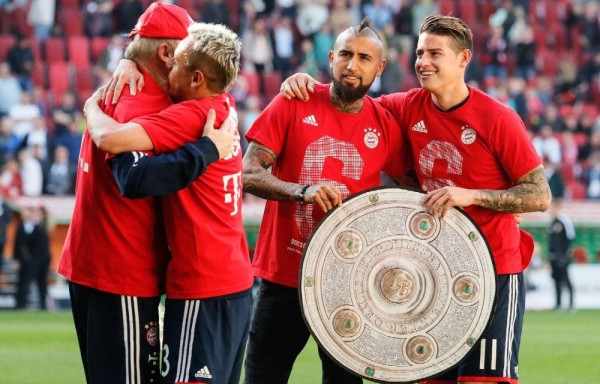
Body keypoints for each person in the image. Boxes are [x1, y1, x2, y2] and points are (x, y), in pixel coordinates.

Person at [281, 13, 552, 384]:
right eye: (421, 53)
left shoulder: (498, 118)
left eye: (435, 54)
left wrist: (470, 196)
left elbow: (539, 195)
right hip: (433, 271)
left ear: (463, 59)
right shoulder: (406, 106)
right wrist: (309, 84)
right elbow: (350, 97)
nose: (423, 62)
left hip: (494, 270)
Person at [57, 4, 233, 384]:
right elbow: (133, 177)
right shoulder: (146, 103)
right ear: (168, 54)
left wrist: (123, 64)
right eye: (188, 48)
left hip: (94, 266)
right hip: (123, 274)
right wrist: (206, 151)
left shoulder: (123, 90)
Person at [242, 18, 412, 384]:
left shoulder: (384, 124)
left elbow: (415, 188)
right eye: (346, 55)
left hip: (346, 282)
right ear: (332, 57)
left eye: (365, 58)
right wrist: (301, 190)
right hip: (284, 277)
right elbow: (249, 172)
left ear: (379, 67)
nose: (353, 65)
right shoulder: (293, 101)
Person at [14, 203, 51, 310]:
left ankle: (43, 305)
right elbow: (17, 245)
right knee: (23, 282)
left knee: (42, 283)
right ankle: (20, 304)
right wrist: (16, 259)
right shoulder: (21, 227)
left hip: (41, 260)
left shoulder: (40, 226)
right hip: (26, 261)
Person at [548, 201, 575, 310]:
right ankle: (558, 304)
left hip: (562, 256)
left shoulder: (565, 222)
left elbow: (570, 238)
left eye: (553, 210)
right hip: (553, 256)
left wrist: (565, 254)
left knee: (566, 280)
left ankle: (571, 304)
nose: (551, 212)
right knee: (556, 281)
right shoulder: (552, 224)